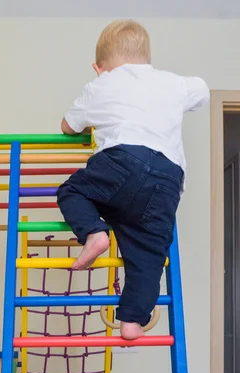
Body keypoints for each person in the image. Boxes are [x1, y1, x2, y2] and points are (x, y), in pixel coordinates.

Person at [57, 19, 209, 339]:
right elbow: (202, 90)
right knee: (148, 253)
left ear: (99, 67)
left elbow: (67, 126)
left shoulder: (101, 84)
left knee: (72, 190)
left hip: (121, 161)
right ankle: (131, 322)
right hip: (167, 180)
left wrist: (95, 106)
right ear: (147, 58)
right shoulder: (171, 82)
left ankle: (94, 234)